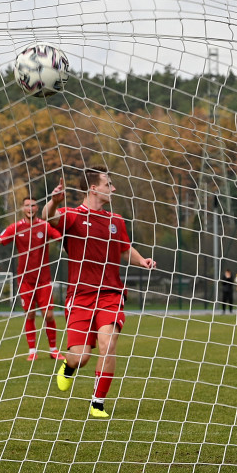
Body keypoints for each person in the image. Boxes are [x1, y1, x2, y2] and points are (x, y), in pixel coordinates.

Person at [42, 167, 156, 419]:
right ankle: (69, 365)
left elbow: (125, 249)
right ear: (93, 188)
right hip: (80, 296)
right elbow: (49, 218)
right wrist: (54, 202)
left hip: (110, 294)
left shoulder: (116, 220)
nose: (113, 188)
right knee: (81, 357)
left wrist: (142, 260)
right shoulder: (72, 216)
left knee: (108, 344)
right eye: (108, 184)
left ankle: (97, 402)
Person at [0, 195, 64, 361]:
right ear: (23, 208)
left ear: (37, 208)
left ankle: (53, 349)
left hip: (43, 279)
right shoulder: (16, 227)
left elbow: (61, 238)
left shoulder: (44, 226)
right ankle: (32, 351)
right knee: (29, 314)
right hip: (25, 280)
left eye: (33, 205)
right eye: (27, 205)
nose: (30, 208)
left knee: (48, 315)